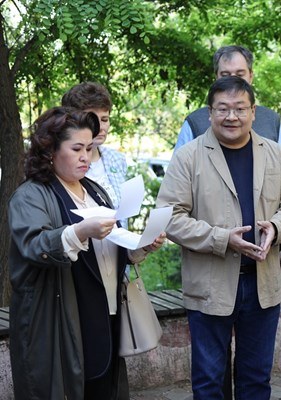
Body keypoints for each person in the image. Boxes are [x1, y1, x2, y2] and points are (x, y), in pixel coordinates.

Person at [156, 76, 281, 399]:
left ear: (254, 112)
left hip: (262, 284)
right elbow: (169, 217)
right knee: (209, 381)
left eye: (240, 108)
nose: (231, 117)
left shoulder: (275, 154)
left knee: (256, 380)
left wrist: (276, 228)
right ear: (210, 113)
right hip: (210, 283)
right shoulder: (188, 156)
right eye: (222, 109)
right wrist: (222, 239)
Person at [8, 107, 165, 400]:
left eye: (89, 148)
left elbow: (110, 250)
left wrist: (141, 246)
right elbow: (35, 247)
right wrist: (80, 231)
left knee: (103, 387)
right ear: (50, 151)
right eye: (76, 148)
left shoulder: (95, 191)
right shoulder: (30, 195)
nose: (85, 156)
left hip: (106, 313)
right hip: (60, 319)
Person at [174, 44, 281, 277]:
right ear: (215, 77)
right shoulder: (194, 123)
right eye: (225, 75)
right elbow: (173, 208)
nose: (232, 117)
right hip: (210, 269)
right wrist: (219, 239)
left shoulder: (271, 122)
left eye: (239, 74)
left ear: (251, 76)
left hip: (264, 266)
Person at [62, 82, 128, 227]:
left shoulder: (117, 159)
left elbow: (123, 215)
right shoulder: (63, 164)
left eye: (105, 119)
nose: (100, 127)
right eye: (92, 120)